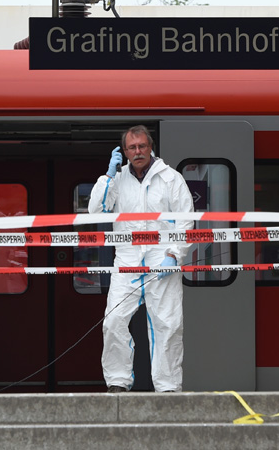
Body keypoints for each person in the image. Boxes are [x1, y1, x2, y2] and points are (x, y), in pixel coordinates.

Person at [88, 125, 194, 393]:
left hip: (163, 261)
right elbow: (96, 211)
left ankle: (168, 387)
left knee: (167, 325)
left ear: (151, 147)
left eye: (142, 146)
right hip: (127, 261)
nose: (138, 152)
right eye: (132, 148)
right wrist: (108, 176)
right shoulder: (118, 179)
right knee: (113, 321)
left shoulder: (171, 179)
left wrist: (174, 255)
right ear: (124, 152)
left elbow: (185, 221)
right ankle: (117, 382)